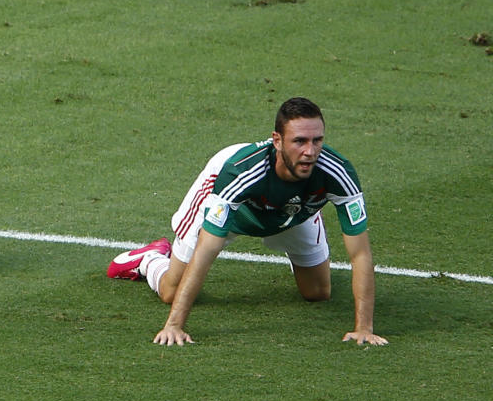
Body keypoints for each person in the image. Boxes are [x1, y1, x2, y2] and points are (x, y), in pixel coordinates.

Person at [108, 97, 388, 346]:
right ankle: (150, 259)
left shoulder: (337, 172)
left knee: (318, 292)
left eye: (317, 140)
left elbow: (360, 252)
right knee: (171, 290)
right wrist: (174, 326)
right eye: (299, 141)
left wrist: (364, 328)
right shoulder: (241, 172)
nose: (310, 151)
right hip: (233, 205)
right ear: (277, 141)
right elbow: (207, 249)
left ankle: (303, 239)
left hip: (293, 211)